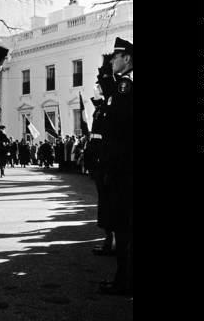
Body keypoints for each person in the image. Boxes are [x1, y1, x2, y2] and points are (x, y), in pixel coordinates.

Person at [99, 37, 133, 296]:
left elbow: (120, 134)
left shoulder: (125, 87)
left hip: (123, 169)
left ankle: (125, 281)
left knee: (124, 226)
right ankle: (123, 278)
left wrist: (111, 168)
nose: (112, 60)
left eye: (115, 57)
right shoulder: (120, 86)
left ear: (127, 59)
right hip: (121, 167)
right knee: (122, 226)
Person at [85, 53, 116, 257]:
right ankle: (108, 241)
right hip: (98, 156)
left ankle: (111, 243)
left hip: (105, 157)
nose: (98, 85)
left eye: (101, 81)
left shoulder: (113, 102)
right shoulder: (104, 104)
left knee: (109, 201)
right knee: (104, 201)